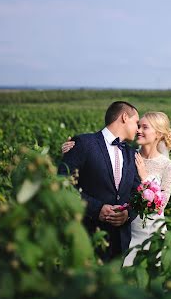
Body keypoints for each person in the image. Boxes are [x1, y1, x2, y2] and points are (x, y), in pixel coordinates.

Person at [62, 111, 171, 267]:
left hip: (151, 231)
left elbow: (160, 205)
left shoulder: (168, 166)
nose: (138, 130)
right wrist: (73, 149)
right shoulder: (128, 154)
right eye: (138, 126)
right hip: (127, 229)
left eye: (144, 127)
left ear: (157, 134)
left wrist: (145, 179)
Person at [58, 101, 140, 262]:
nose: (138, 129)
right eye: (136, 123)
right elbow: (63, 184)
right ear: (124, 117)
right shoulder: (83, 143)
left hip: (121, 242)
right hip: (87, 236)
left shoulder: (131, 154)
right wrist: (96, 209)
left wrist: (127, 213)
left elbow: (136, 192)